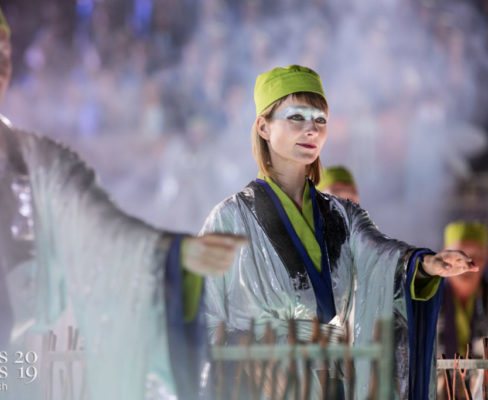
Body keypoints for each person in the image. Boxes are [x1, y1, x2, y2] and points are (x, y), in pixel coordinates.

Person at [0, 1, 244, 399]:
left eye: (1, 56)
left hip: (6, 371)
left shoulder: (38, 162)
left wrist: (170, 254)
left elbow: (101, 231)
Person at [201, 65, 477, 399]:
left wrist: (423, 264)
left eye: (320, 120)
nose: (311, 130)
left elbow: (381, 255)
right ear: (263, 126)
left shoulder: (341, 216)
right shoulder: (229, 219)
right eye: (296, 117)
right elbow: (203, 318)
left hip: (333, 383)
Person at [437, 221, 488, 397]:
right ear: (444, 257)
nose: (465, 264)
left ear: (486, 257)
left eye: (475, 256)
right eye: (459, 256)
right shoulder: (426, 304)